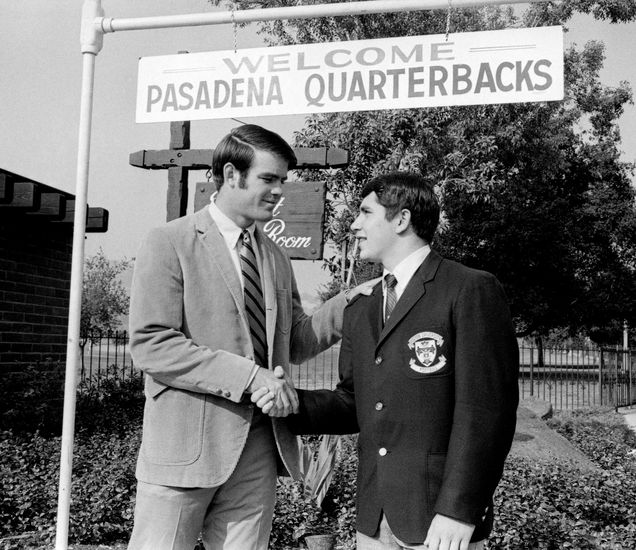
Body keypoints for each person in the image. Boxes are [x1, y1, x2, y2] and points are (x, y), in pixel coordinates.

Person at [126, 124, 373, 550]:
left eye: (284, 180)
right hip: (185, 448)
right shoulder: (170, 241)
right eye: (269, 178)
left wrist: (350, 301)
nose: (280, 190)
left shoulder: (274, 255)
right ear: (231, 174)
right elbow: (153, 344)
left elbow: (295, 341)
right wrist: (252, 378)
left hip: (260, 445)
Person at [254, 171, 519, 550]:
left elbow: (487, 412)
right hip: (374, 520)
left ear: (401, 219)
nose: (354, 225)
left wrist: (460, 510)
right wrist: (291, 402)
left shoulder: (469, 289)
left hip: (439, 522)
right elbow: (352, 403)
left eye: (365, 213)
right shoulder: (362, 306)